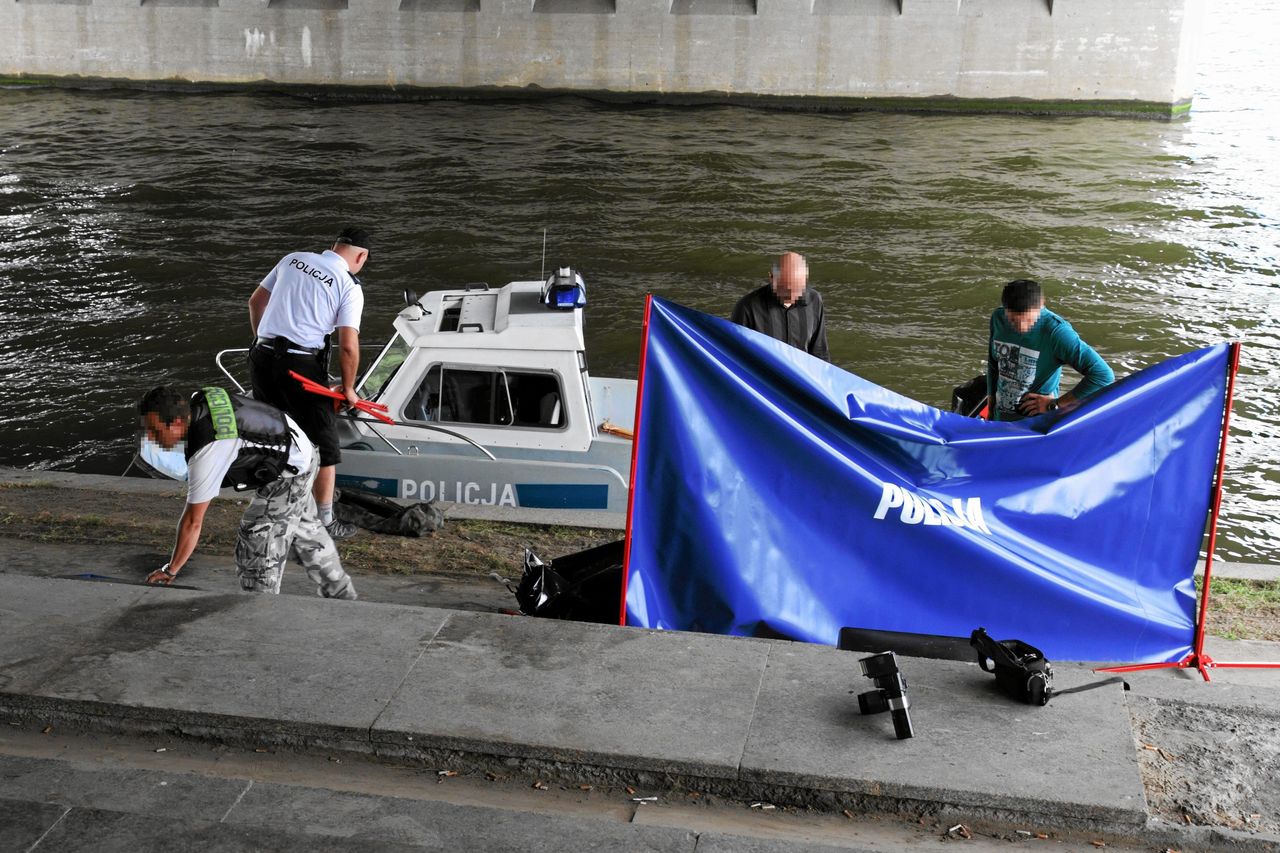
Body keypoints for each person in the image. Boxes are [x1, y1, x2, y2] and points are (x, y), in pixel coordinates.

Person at [138, 385, 357, 599]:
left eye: (156, 431)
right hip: (300, 449)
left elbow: (193, 522)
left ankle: (258, 610)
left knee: (258, 540)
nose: (153, 438)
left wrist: (171, 569)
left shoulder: (210, 448)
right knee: (306, 530)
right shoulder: (201, 398)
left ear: (176, 422)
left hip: (291, 473)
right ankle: (341, 591)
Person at [247, 227, 370, 540]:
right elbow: (348, 345)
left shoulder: (293, 259)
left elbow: (256, 302)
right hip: (300, 365)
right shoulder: (348, 285)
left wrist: (263, 341)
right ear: (361, 256)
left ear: (333, 245)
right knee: (325, 441)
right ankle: (324, 522)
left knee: (273, 433)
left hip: (262, 357)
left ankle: (268, 508)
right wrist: (349, 388)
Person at [986, 279, 1114, 421]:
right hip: (1001, 418)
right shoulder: (997, 318)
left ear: (1041, 305)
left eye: (1028, 320)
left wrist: (1055, 404)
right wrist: (991, 404)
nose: (1021, 327)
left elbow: (1103, 375)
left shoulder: (1057, 333)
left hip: (1036, 423)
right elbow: (993, 363)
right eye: (1013, 320)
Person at [730, 251, 830, 361]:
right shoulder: (747, 308)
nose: (792, 297)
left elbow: (819, 352)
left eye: (798, 290)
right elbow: (736, 355)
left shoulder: (814, 301)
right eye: (786, 290)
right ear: (771, 278)